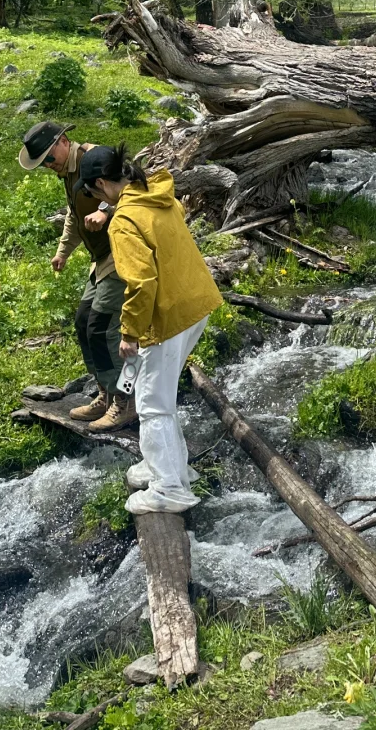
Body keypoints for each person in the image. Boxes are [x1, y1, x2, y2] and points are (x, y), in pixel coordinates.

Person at [71, 143, 222, 514]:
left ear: (103, 184)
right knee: (160, 391)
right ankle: (172, 466)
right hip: (196, 303)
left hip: (167, 313)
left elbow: (141, 283)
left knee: (152, 403)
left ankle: (169, 488)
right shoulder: (155, 193)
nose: (93, 201)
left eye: (91, 193)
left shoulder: (124, 223)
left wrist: (129, 334)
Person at [18, 120, 135, 431]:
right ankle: (105, 394)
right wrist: (63, 251)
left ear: (63, 141)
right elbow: (74, 214)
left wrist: (106, 211)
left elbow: (134, 188)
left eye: (49, 158)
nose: (47, 165)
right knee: (84, 321)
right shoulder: (68, 172)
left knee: (101, 326)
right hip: (100, 260)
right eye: (42, 163)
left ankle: (126, 401)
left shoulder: (95, 157)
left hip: (121, 255)